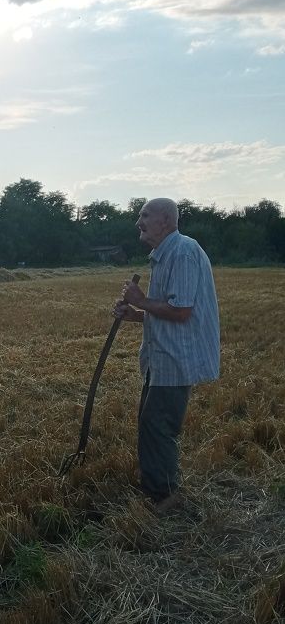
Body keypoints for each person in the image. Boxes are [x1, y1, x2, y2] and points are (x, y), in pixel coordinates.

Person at [113, 198, 220, 513]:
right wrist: (134, 314)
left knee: (158, 423)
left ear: (166, 220)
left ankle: (167, 497)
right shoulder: (163, 255)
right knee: (151, 422)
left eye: (144, 215)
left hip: (177, 359)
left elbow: (182, 311)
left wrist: (142, 300)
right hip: (162, 358)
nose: (138, 222)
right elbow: (165, 310)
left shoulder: (183, 252)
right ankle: (155, 488)